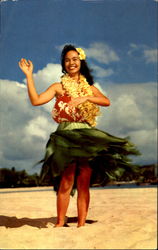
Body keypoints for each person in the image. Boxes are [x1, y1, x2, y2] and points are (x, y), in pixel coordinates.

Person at [19, 44, 138, 228]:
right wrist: (29, 76)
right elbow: (36, 101)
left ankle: (81, 225)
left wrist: (86, 98)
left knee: (83, 181)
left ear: (81, 61)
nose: (71, 63)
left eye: (75, 59)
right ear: (63, 64)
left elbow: (106, 101)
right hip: (66, 136)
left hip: (86, 137)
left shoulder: (89, 88)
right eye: (67, 60)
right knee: (66, 181)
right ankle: (60, 223)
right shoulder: (58, 87)